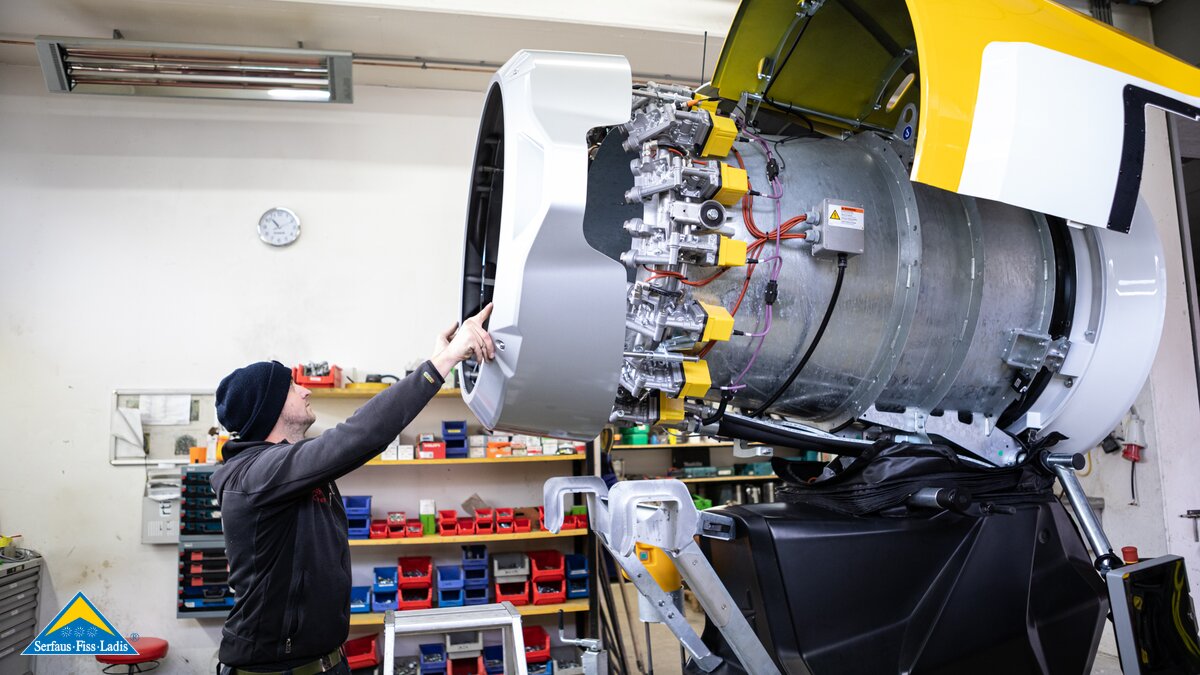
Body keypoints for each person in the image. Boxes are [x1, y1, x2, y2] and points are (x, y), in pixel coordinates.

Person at [210, 305, 495, 675]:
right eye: (294, 387)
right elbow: (360, 435)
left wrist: (439, 356)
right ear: (271, 407)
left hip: (326, 661)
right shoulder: (255, 475)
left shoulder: (285, 467)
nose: (306, 389)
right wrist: (442, 364)